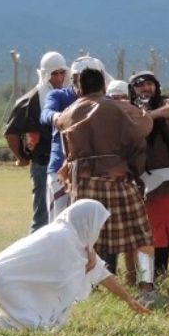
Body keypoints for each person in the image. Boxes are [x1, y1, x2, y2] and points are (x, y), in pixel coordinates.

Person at [55, 67, 160, 303]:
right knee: (142, 236)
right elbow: (144, 127)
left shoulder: (68, 112)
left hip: (83, 184)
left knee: (82, 240)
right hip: (118, 179)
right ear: (103, 86)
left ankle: (81, 290)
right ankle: (146, 288)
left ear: (78, 88)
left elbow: (64, 140)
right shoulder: (118, 107)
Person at [0, 200, 149, 331]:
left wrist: (128, 299)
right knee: (36, 329)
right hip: (5, 281)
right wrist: (84, 265)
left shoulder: (71, 237)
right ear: (87, 222)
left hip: (3, 279)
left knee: (38, 325)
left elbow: (101, 273)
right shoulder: (64, 238)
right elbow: (70, 278)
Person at [129, 70, 169, 286]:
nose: (145, 88)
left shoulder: (166, 104)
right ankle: (148, 281)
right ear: (133, 90)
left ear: (156, 86)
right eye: (140, 85)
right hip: (142, 181)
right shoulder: (130, 111)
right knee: (147, 234)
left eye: (149, 84)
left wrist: (149, 116)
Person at [41, 56, 111, 222]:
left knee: (92, 226)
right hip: (60, 168)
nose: (80, 84)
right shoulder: (58, 96)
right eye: (76, 79)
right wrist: (57, 117)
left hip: (95, 172)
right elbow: (46, 114)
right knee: (58, 224)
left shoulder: (107, 102)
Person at [6, 52, 67, 232]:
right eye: (53, 74)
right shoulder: (31, 100)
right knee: (42, 217)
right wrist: (22, 157)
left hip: (69, 163)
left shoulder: (70, 95)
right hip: (42, 163)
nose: (58, 78)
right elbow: (11, 133)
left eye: (61, 73)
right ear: (45, 74)